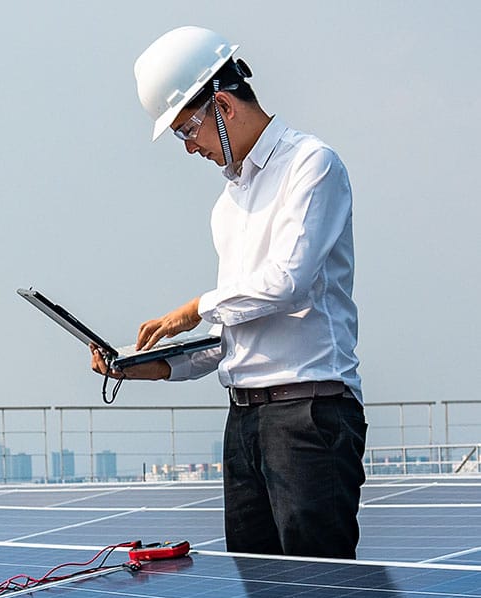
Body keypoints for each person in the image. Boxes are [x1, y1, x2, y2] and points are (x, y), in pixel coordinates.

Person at [91, 25, 367, 559]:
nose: (189, 147)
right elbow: (231, 332)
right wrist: (143, 366)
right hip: (244, 423)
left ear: (223, 105)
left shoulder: (311, 165)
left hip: (308, 415)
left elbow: (287, 283)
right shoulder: (227, 205)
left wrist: (194, 307)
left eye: (185, 131)